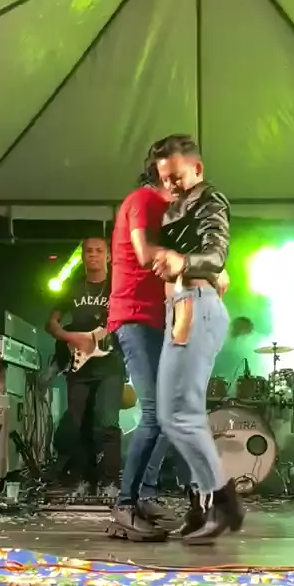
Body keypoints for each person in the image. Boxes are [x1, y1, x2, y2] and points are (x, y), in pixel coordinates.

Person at [108, 156, 230, 541]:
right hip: (136, 317)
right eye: (174, 182)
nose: (182, 191)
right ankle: (125, 506)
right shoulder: (145, 201)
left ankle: (145, 495)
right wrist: (200, 267)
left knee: (169, 413)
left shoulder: (171, 212)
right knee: (154, 414)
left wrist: (204, 268)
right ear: (162, 181)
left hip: (157, 317)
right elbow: (147, 256)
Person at [151, 134, 244, 542]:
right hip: (181, 308)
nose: (170, 184)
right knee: (174, 415)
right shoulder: (174, 207)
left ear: (197, 168)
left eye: (176, 176)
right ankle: (205, 502)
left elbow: (216, 255)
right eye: (164, 178)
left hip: (195, 304)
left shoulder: (210, 199)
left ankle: (224, 503)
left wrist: (182, 261)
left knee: (180, 415)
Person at [46, 237, 124, 498]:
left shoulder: (116, 287)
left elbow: (128, 316)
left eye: (99, 251)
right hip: (80, 367)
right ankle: (83, 479)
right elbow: (52, 323)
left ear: (108, 256)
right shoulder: (73, 287)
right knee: (77, 424)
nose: (93, 255)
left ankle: (110, 482)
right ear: (82, 256)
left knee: (107, 422)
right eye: (88, 251)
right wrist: (72, 338)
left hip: (109, 366)